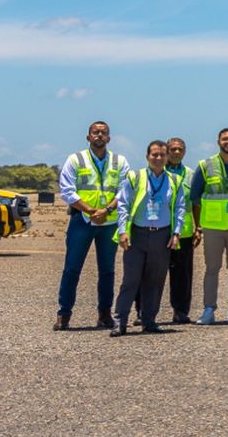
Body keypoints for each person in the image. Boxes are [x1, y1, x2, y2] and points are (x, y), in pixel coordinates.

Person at [56, 120, 130, 331]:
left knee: (107, 271)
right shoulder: (76, 159)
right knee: (72, 268)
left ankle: (105, 314)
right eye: (95, 132)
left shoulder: (120, 161)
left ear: (109, 138)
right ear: (88, 137)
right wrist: (90, 211)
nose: (99, 135)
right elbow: (67, 191)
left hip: (109, 222)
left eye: (103, 133)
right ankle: (64, 314)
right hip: (82, 221)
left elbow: (124, 191)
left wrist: (105, 211)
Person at [110, 141, 185, 336]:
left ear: (167, 157)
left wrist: (176, 233)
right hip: (137, 235)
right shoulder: (135, 177)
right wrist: (123, 232)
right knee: (131, 280)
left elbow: (179, 208)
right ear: (147, 156)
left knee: (156, 280)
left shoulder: (175, 181)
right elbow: (124, 205)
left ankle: (149, 320)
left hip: (162, 235)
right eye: (154, 155)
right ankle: (120, 321)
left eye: (162, 155)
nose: (158, 158)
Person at [191, 128, 228, 326]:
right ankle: (209, 309)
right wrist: (198, 226)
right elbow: (195, 198)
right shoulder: (205, 165)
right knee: (212, 269)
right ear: (218, 141)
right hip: (213, 227)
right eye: (225, 138)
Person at [158, 137, 198, 325]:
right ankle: (144, 311)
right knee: (151, 272)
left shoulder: (191, 174)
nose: (176, 152)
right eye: (172, 149)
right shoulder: (157, 172)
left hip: (184, 231)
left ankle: (181, 311)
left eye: (179, 149)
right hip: (159, 228)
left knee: (183, 274)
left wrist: (199, 227)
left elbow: (196, 202)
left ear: (184, 152)